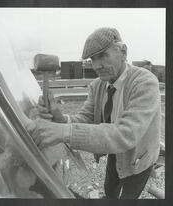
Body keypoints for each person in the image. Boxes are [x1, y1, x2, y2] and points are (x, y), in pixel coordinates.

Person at [26, 27, 161, 199]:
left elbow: (126, 134)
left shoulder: (144, 82)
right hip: (114, 154)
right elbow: (86, 119)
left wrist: (62, 132)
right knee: (110, 189)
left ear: (123, 52)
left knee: (128, 195)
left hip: (139, 159)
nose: (97, 65)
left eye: (103, 55)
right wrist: (58, 117)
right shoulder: (98, 85)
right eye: (93, 58)